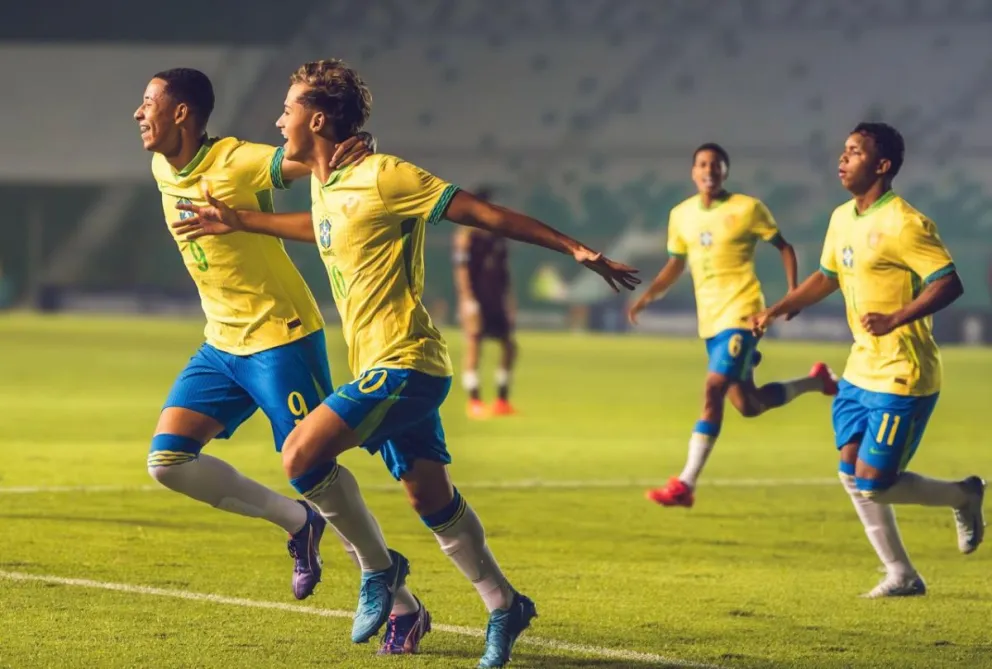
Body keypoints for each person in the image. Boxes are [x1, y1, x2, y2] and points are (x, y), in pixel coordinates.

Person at [171, 58, 639, 667]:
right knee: (430, 498)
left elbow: (483, 213)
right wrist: (240, 221)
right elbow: (324, 228)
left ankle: (379, 570)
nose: (277, 118)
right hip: (374, 363)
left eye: (287, 109)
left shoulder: (386, 175)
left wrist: (573, 246)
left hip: (408, 362)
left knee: (301, 455)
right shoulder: (325, 181)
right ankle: (504, 604)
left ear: (316, 118)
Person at [135, 67, 374, 601]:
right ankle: (298, 523)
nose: (138, 112)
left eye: (148, 102)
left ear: (181, 113)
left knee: (313, 467)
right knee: (168, 463)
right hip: (221, 343)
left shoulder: (238, 161)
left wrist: (350, 149)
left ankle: (394, 595)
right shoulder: (161, 165)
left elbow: (314, 161)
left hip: (279, 335)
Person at [752, 122, 986, 598]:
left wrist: (898, 316)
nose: (843, 158)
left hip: (904, 373)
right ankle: (900, 574)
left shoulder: (906, 223)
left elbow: (949, 282)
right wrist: (781, 306)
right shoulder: (842, 217)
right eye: (843, 150)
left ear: (881, 165)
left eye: (854, 152)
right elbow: (827, 275)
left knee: (875, 484)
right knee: (850, 472)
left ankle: (964, 493)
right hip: (861, 368)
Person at [628, 143, 837, 508]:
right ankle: (816, 381)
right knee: (749, 405)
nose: (709, 170)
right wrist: (649, 296)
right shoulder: (681, 215)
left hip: (742, 314)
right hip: (710, 321)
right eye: (703, 164)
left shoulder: (747, 208)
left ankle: (685, 484)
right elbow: (677, 263)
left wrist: (792, 294)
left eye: (716, 165)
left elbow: (784, 248)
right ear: (693, 172)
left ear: (725, 171)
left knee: (713, 390)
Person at [452, 187, 517, 418]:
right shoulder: (467, 237)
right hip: (476, 300)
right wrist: (468, 301)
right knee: (473, 345)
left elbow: (504, 272)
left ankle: (501, 400)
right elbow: (462, 272)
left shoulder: (498, 236)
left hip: (495, 299)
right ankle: (475, 401)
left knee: (509, 346)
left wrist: (509, 300)